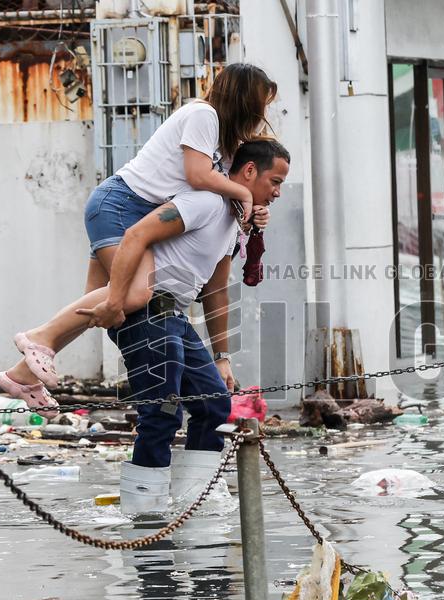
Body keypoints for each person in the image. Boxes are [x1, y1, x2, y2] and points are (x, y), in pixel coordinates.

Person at [0, 63, 277, 410]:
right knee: (133, 293)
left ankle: (22, 374)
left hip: (134, 211)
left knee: (98, 303)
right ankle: (38, 338)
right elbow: (197, 175)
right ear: (245, 99)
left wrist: (250, 211)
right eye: (262, 104)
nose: (263, 114)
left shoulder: (226, 144)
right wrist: (245, 194)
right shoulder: (204, 116)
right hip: (122, 204)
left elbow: (224, 188)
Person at [76, 139, 290, 512]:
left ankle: (196, 500)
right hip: (146, 310)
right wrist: (112, 298)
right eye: (275, 181)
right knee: (161, 411)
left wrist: (222, 356)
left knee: (214, 406)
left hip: (173, 315)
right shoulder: (203, 201)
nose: (276, 192)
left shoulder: (233, 223)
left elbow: (216, 289)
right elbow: (135, 235)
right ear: (250, 171)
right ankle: (146, 515)